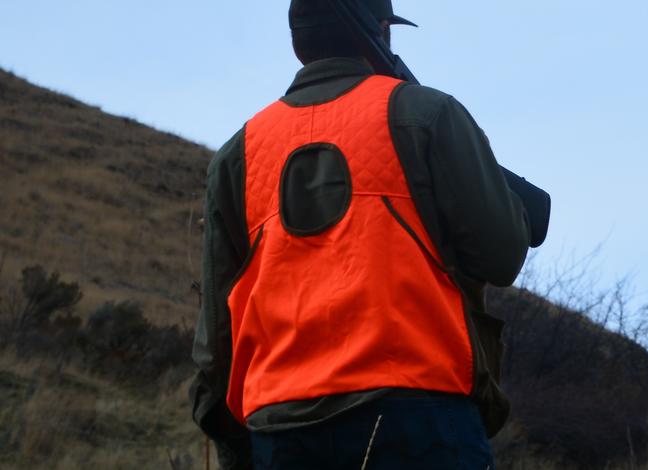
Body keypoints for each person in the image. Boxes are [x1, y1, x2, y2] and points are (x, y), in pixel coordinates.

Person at [189, 0, 530, 468]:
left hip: (280, 429)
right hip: (419, 416)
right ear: (382, 33)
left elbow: (216, 334)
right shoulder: (427, 114)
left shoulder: (236, 155)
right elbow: (502, 254)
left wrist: (236, 443)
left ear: (298, 42)